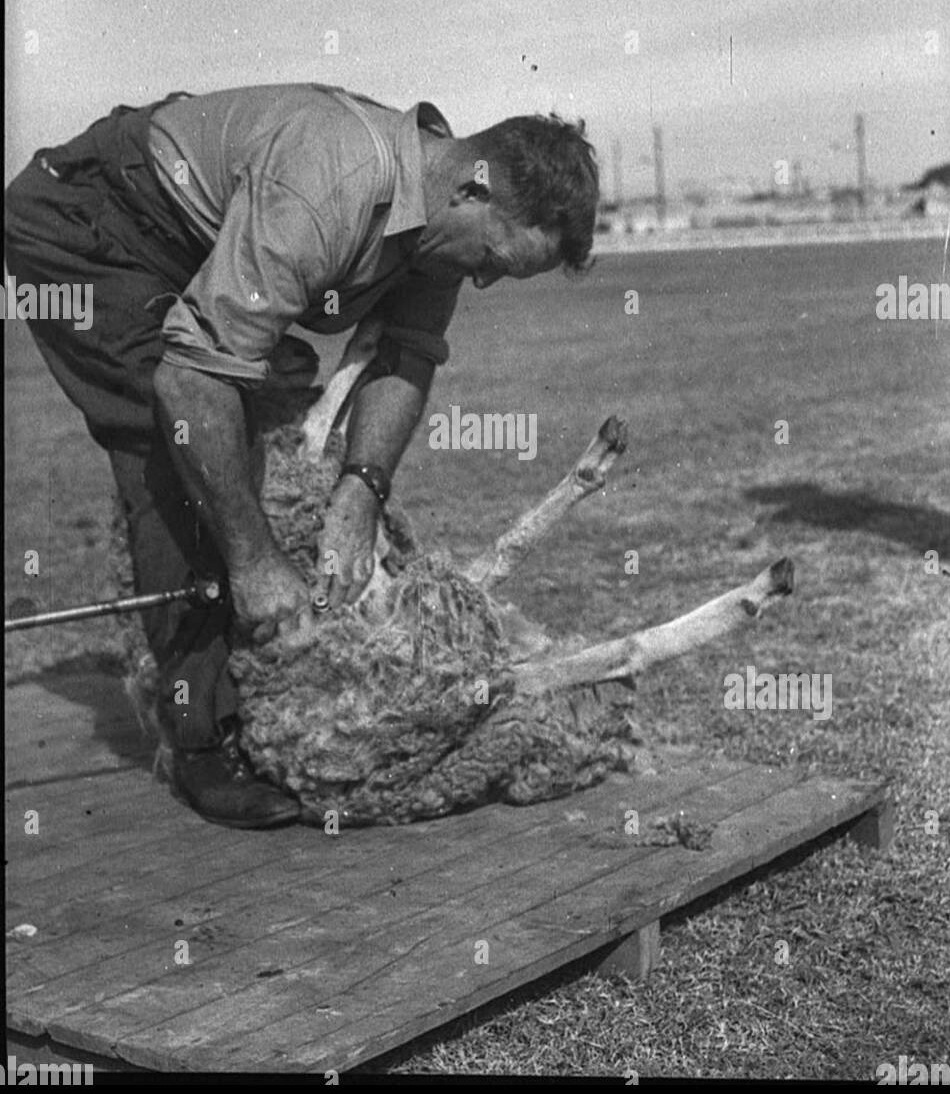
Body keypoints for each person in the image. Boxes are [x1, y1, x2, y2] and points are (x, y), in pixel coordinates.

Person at [4, 82, 599, 828]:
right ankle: (204, 743)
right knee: (174, 440)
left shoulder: (436, 227)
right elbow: (191, 382)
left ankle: (243, 675)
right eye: (494, 260)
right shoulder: (334, 182)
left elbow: (407, 356)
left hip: (180, 238)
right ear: (473, 186)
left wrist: (361, 492)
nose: (481, 280)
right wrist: (254, 562)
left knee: (250, 402)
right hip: (87, 226)